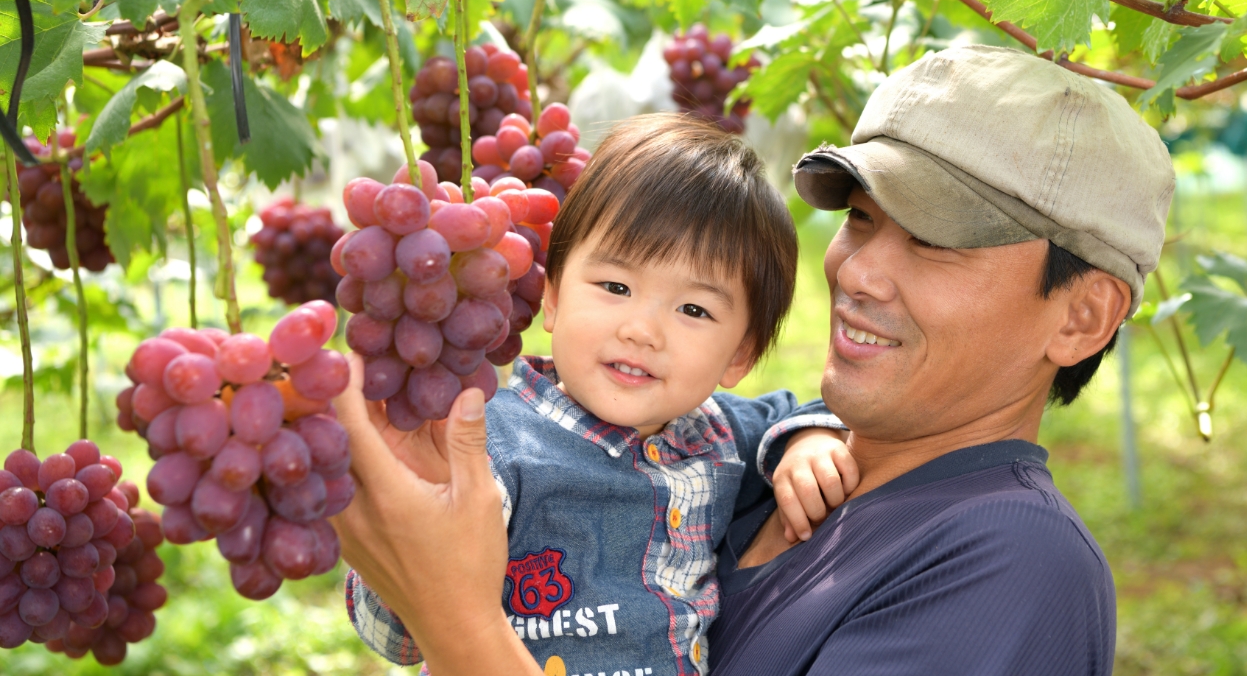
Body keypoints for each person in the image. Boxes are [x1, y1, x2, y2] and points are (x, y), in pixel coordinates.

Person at [333, 44, 1174, 676]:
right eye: (864, 220)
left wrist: (459, 622)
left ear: (1082, 316)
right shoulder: (724, 457)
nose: (857, 271)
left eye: (934, 242)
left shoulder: (1013, 566)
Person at [342, 115, 858, 676]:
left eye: (694, 309)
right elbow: (399, 638)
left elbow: (789, 412)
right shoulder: (494, 450)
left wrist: (807, 440)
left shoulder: (719, 432)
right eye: (616, 287)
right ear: (554, 298)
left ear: (740, 355)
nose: (642, 330)